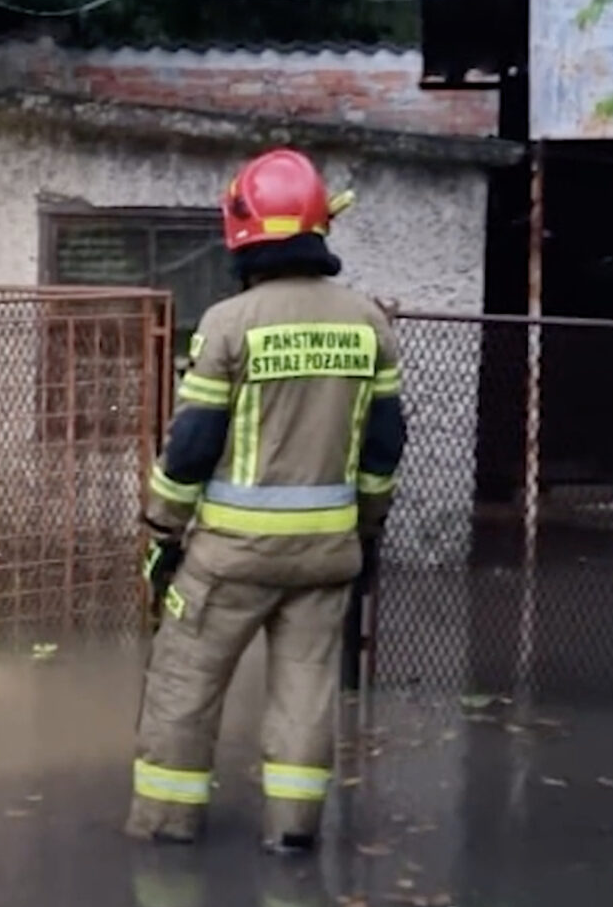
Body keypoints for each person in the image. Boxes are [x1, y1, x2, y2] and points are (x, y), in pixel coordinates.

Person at [128, 147, 407, 852]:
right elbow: (383, 449)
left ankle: (167, 832)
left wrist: (163, 532)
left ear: (242, 232)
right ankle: (292, 837)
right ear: (318, 229)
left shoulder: (227, 325)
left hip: (229, 558)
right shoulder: (368, 325)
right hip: (327, 557)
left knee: (184, 683)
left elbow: (190, 447)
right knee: (306, 692)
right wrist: (366, 533)